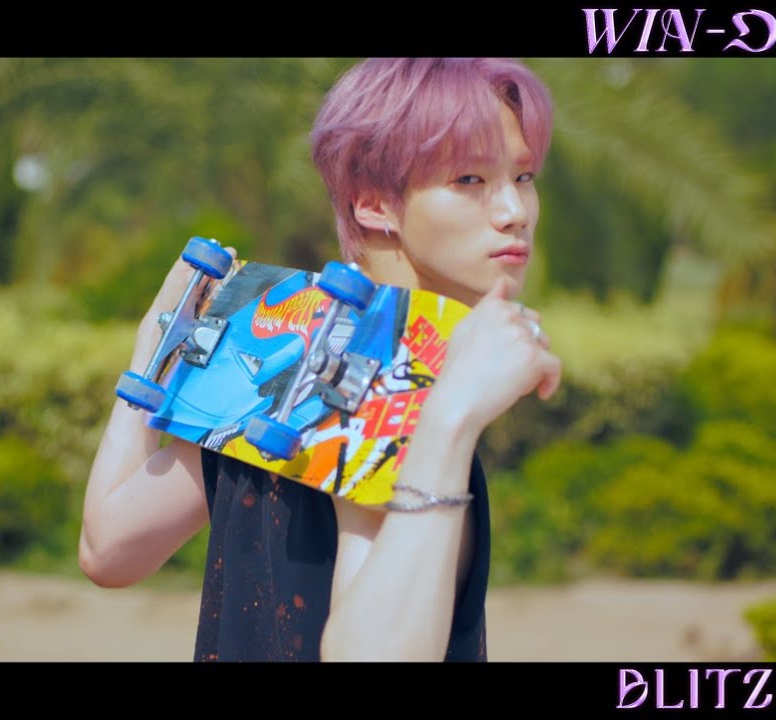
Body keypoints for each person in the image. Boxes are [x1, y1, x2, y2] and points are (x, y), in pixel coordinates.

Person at [79, 58, 562, 662]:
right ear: (373, 204)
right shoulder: (406, 384)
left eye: (523, 175)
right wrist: (449, 419)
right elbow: (109, 552)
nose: (515, 210)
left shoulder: (282, 340)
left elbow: (108, 549)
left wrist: (153, 349)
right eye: (469, 179)